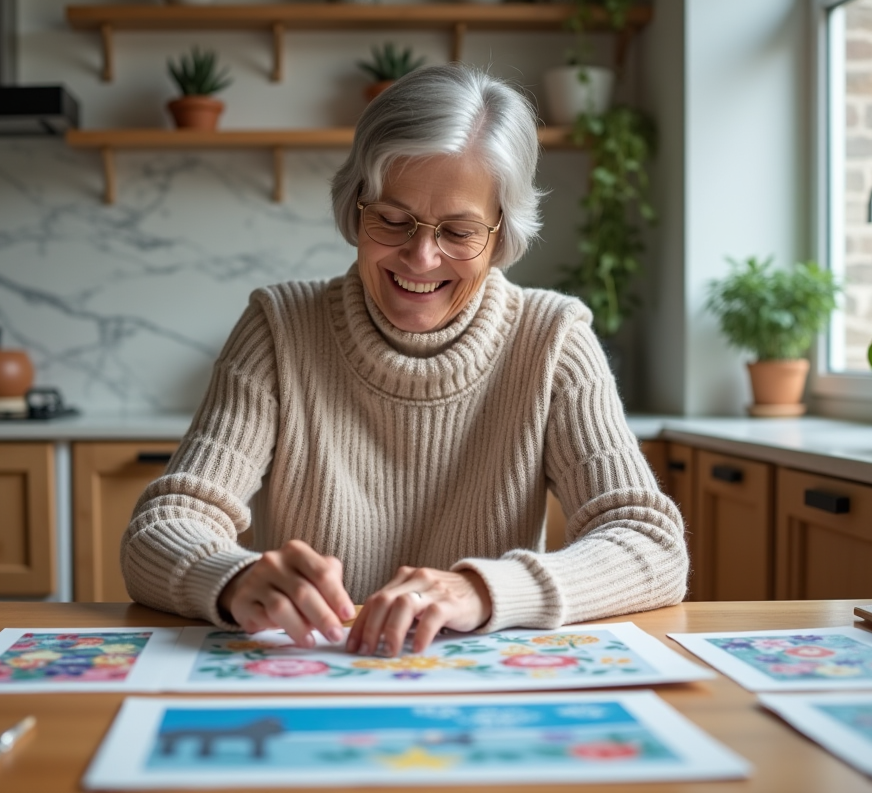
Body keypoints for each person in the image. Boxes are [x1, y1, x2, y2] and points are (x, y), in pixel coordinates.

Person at [122, 63, 687, 658]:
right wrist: (234, 578)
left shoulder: (552, 339)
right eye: (392, 220)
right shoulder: (278, 329)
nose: (421, 257)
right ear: (355, 207)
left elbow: (651, 545)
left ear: (502, 234)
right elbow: (160, 528)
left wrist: (481, 590)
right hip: (310, 675)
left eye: (459, 231)